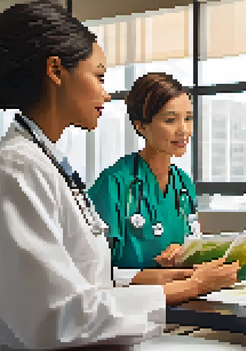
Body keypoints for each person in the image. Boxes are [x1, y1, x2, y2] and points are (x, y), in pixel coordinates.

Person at [0, 0, 238, 350]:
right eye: (98, 76)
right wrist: (189, 287)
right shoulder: (16, 169)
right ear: (56, 71)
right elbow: (59, 317)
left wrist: (166, 277)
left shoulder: (45, 163)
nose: (106, 93)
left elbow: (87, 279)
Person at [88, 72, 214, 286]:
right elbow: (90, 270)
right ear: (141, 126)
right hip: (126, 307)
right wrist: (151, 277)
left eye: (188, 118)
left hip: (179, 299)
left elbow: (194, 243)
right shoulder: (114, 184)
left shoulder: (183, 184)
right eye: (170, 120)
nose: (183, 130)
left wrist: (182, 255)